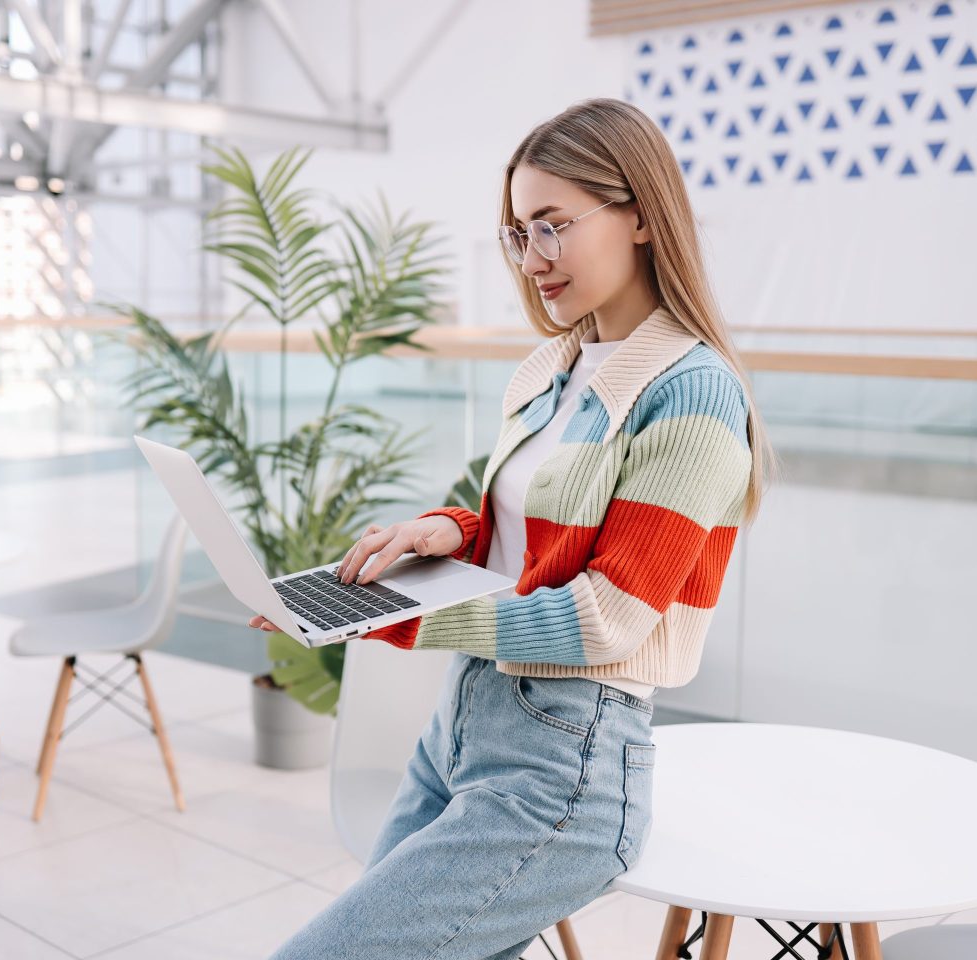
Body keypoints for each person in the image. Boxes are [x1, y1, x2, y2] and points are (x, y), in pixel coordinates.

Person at [249, 96, 775, 960]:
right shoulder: (553, 368)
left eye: (552, 226)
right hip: (462, 725)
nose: (533, 259)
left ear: (641, 214)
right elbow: (529, 527)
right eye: (518, 234)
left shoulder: (692, 391)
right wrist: (448, 531)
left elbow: (608, 617)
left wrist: (389, 614)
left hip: (562, 765)